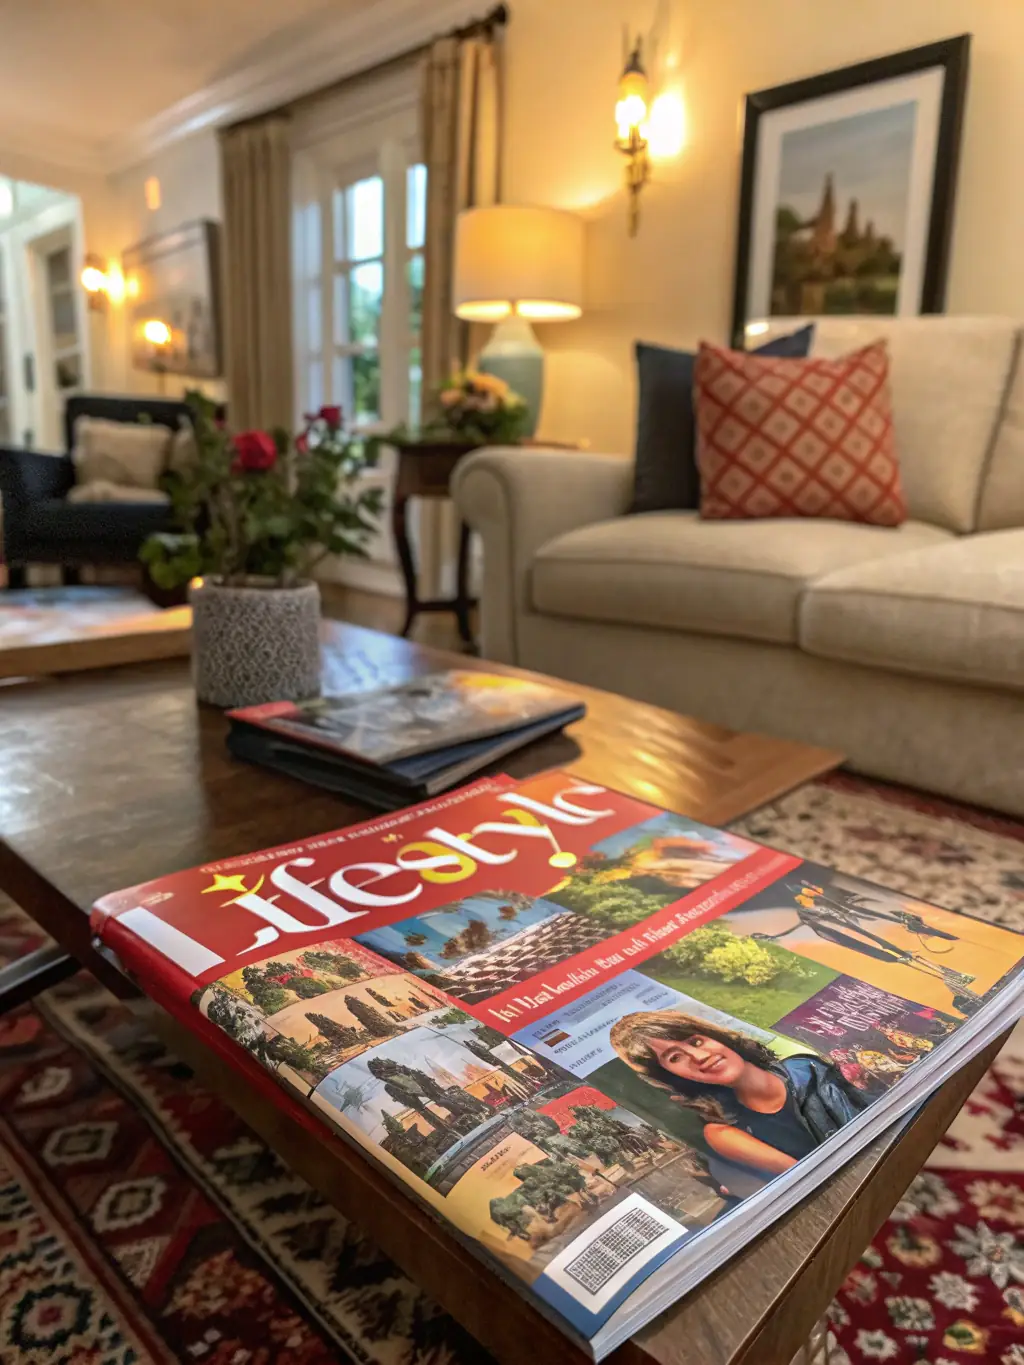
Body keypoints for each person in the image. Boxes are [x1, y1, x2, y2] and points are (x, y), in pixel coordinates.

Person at [609, 1010, 871, 1178]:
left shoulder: (806, 1065)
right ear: (670, 1075)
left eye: (695, 1042)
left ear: (714, 1036)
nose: (700, 1057)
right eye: (676, 1057)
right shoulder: (723, 1133)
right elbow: (818, 1181)